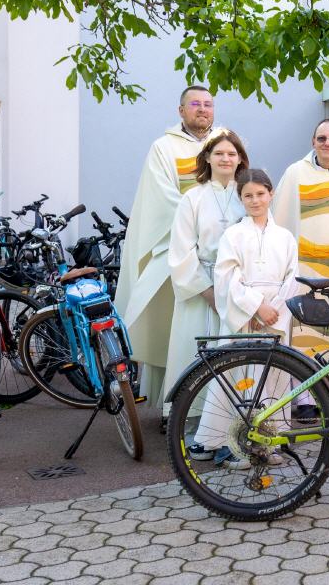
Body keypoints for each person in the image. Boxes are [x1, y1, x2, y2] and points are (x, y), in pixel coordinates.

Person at [115, 85, 215, 421]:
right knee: (176, 334)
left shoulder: (226, 142)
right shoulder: (164, 147)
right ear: (181, 110)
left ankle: (217, 409)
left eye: (208, 104)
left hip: (219, 252)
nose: (202, 109)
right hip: (181, 249)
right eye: (195, 104)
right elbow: (163, 198)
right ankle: (175, 409)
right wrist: (200, 227)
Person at [190, 168, 299, 468]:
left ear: (271, 194)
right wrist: (255, 307)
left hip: (275, 317)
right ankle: (230, 443)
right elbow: (226, 277)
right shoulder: (233, 234)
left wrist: (274, 312)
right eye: (248, 195)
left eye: (260, 194)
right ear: (240, 198)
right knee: (238, 374)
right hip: (244, 317)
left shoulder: (285, 237)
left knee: (273, 375)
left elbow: (293, 278)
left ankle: (270, 439)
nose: (255, 200)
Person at [165, 128, 247, 414]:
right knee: (196, 350)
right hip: (202, 288)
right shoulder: (193, 198)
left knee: (237, 357)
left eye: (231, 154)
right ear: (208, 159)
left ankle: (232, 417)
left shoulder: (248, 194)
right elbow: (181, 251)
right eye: (219, 153)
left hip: (239, 287)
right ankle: (191, 418)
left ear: (240, 160)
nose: (226, 158)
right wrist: (208, 292)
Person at [272, 119, 329, 362]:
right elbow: (279, 220)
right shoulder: (295, 173)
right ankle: (302, 394)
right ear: (313, 142)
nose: (327, 143)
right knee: (301, 326)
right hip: (303, 268)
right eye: (321, 138)